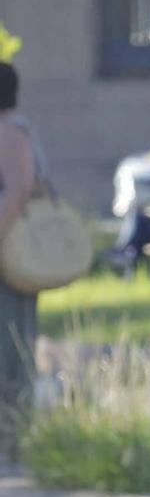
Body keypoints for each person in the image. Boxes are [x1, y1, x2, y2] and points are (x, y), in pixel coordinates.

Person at [0, 61, 42, 419]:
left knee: (9, 341)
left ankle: (11, 424)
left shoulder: (9, 133)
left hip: (9, 254)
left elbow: (18, 190)